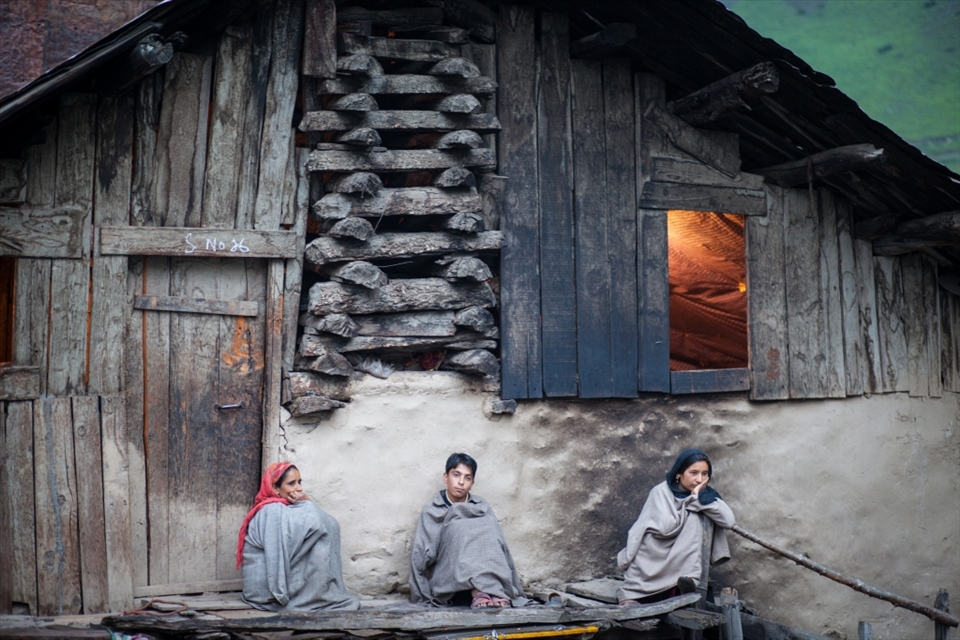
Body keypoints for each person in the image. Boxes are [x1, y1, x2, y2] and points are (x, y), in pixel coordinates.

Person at [409, 453, 529, 608]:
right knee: (459, 527)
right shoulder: (432, 510)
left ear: (472, 483)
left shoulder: (481, 506)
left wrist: (511, 586)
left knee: (488, 527)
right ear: (446, 477)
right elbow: (420, 554)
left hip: (490, 578)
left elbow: (500, 544)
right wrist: (421, 595)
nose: (461, 482)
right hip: (451, 581)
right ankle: (479, 592)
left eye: (467, 478)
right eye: (456, 475)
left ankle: (491, 590)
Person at [616, 449, 736, 604]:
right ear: (679, 474)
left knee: (697, 519)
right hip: (656, 554)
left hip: (684, 560)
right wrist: (693, 502)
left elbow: (729, 521)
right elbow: (666, 527)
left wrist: (697, 500)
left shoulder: (706, 496)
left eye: (704, 474)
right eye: (693, 473)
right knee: (695, 516)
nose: (700, 479)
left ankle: (687, 581)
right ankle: (637, 593)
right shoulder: (661, 492)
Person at [236, 462, 360, 611]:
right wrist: (308, 505)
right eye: (291, 483)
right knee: (316, 535)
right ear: (275, 488)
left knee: (318, 536)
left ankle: (317, 593)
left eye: (299, 482)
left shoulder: (286, 508)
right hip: (265, 592)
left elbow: (329, 524)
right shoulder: (271, 511)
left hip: (275, 584)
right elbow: (277, 556)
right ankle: (314, 595)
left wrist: (306, 502)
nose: (299, 488)